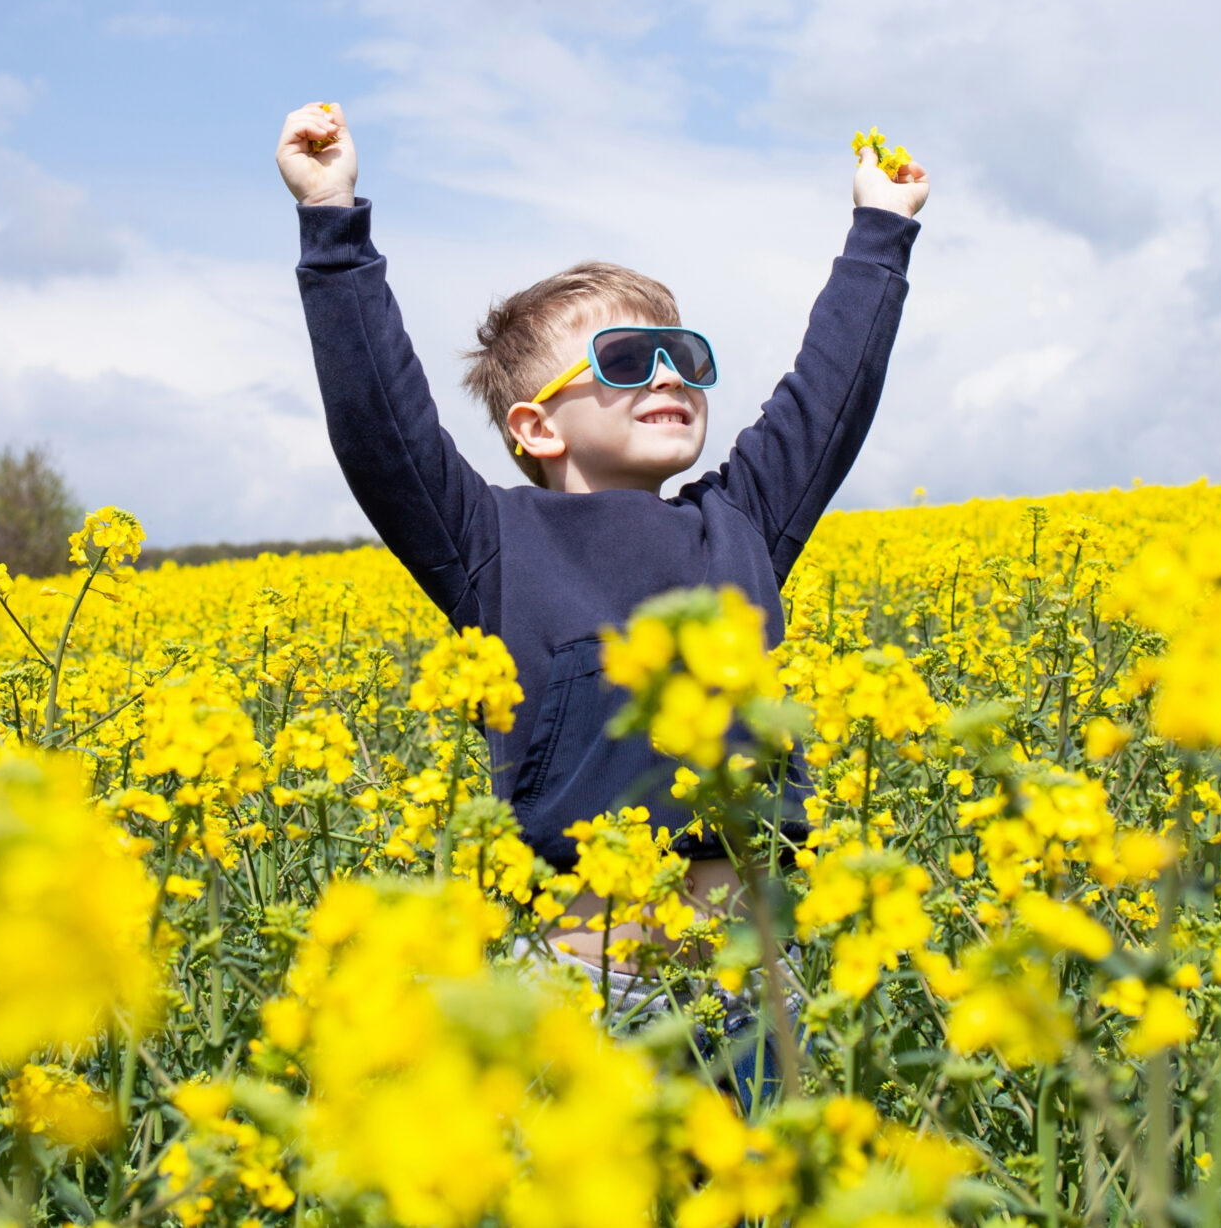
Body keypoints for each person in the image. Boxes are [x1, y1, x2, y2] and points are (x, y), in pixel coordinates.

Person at [277, 101, 928, 982]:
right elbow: (379, 427)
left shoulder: (736, 526)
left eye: (685, 356)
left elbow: (829, 398)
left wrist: (879, 232)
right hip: (585, 995)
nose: (668, 373)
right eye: (625, 359)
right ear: (536, 429)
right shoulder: (493, 544)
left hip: (749, 993)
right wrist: (331, 223)